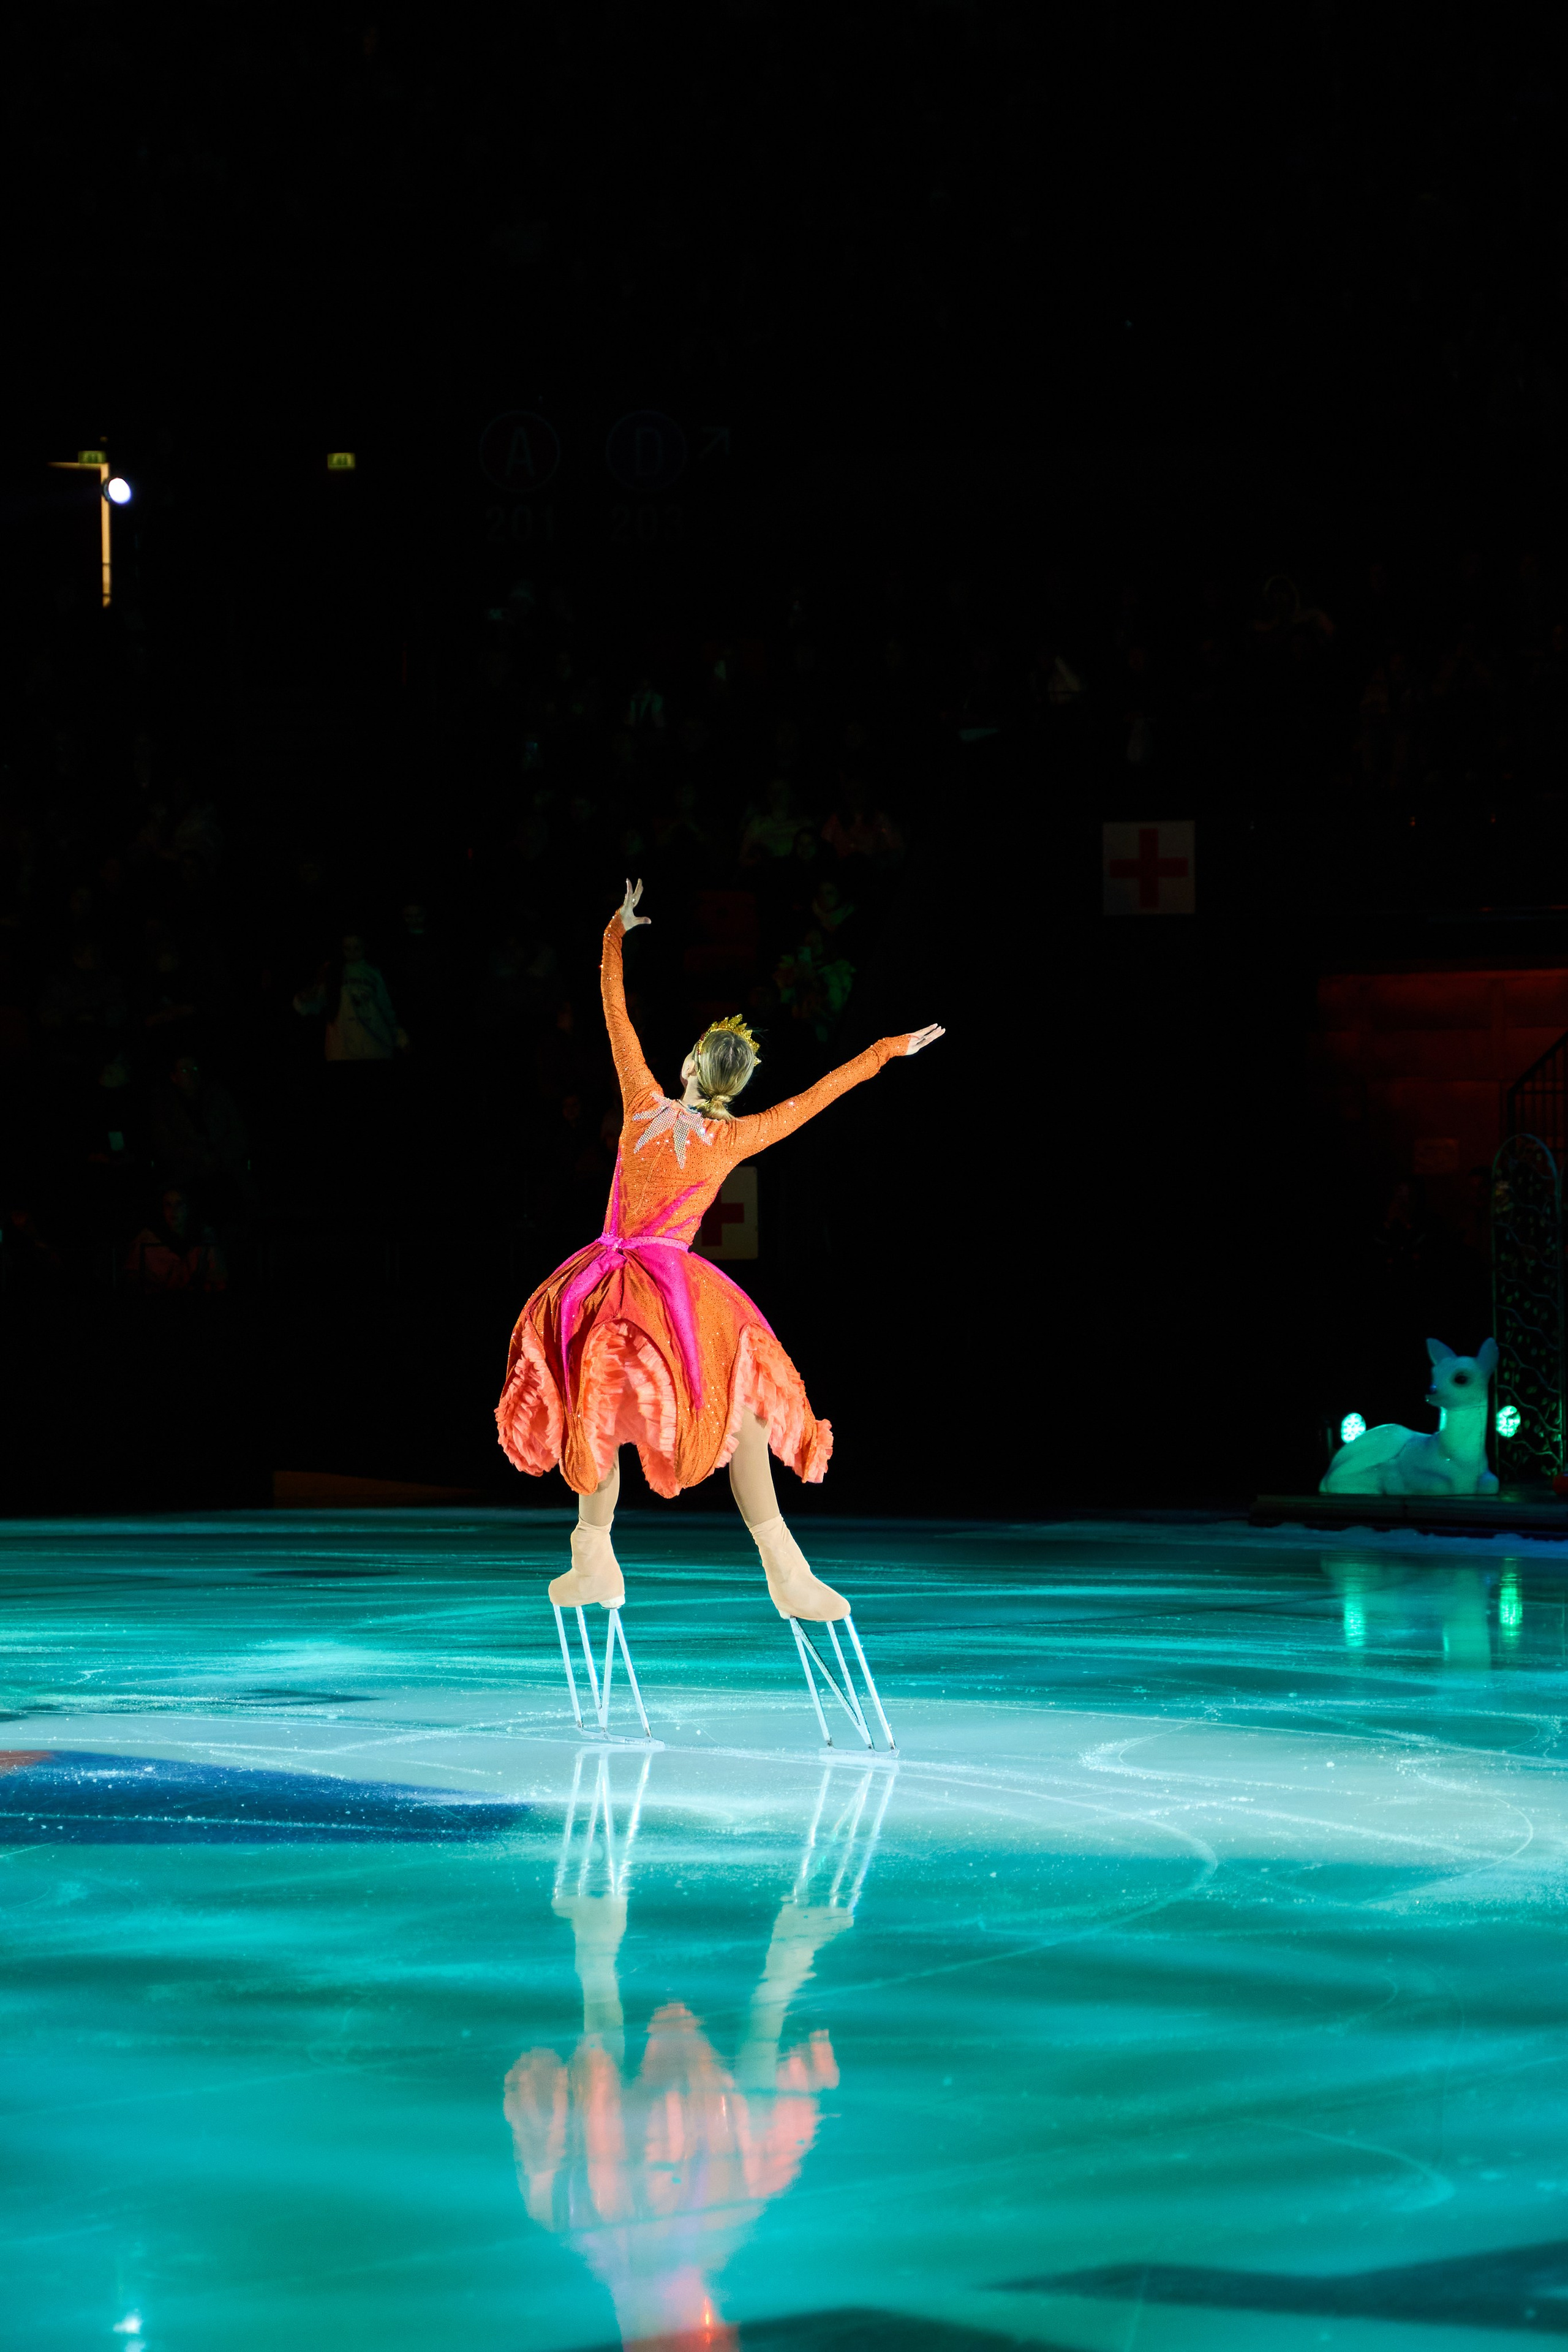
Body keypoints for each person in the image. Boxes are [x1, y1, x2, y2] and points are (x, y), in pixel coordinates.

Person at [496, 880, 944, 1621]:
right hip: (676, 1286)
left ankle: (594, 1554)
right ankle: (784, 1566)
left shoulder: (642, 1100)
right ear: (734, 1088)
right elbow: (824, 1093)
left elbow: (615, 1009)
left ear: (687, 1069)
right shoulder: (734, 1135)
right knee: (741, 1403)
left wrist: (615, 931)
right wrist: (889, 1049)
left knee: (596, 1400)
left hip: (607, 1276)